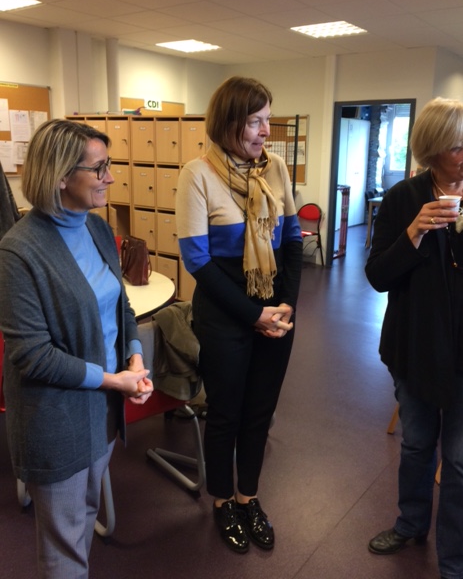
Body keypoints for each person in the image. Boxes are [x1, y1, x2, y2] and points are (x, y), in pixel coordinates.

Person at [0, 119, 153, 578]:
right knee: (62, 544)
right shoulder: (18, 252)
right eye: (99, 168)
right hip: (55, 420)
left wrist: (135, 357)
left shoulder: (98, 229)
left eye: (109, 165)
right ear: (61, 176)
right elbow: (33, 355)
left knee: (86, 514)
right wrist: (114, 380)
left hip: (102, 409)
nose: (111, 177)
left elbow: (122, 304)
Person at [176, 76, 303, 553]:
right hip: (226, 315)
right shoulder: (197, 174)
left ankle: (248, 497)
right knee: (226, 414)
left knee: (259, 412)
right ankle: (222, 500)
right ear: (228, 122)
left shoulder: (275, 169)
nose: (266, 131)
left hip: (276, 313)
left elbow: (293, 241)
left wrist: (286, 305)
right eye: (255, 121)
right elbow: (198, 261)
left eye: (267, 119)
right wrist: (254, 315)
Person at [365, 97, 463, 579]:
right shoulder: (402, 199)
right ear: (432, 151)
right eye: (459, 146)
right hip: (414, 347)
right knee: (416, 446)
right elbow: (377, 276)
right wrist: (412, 233)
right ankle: (410, 523)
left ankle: (453, 561)